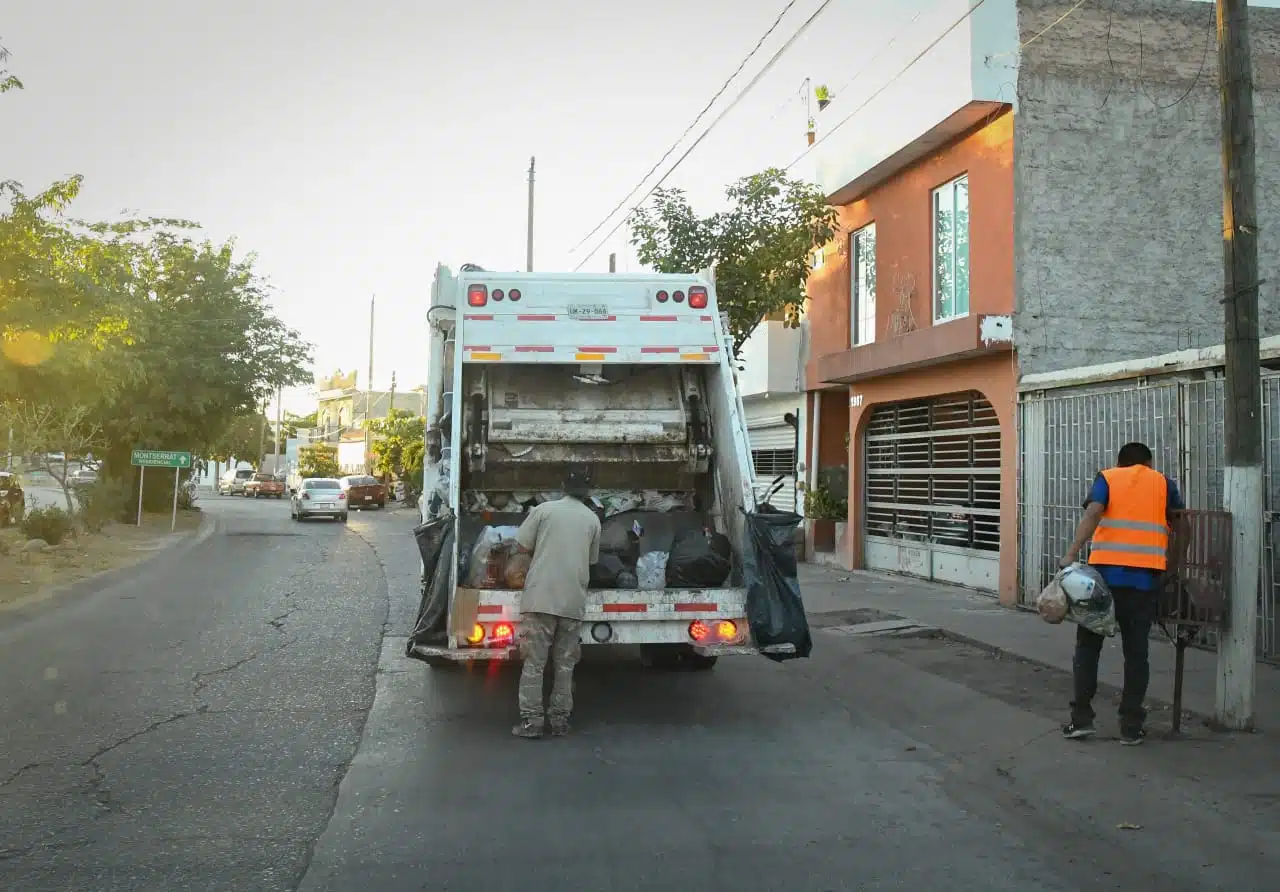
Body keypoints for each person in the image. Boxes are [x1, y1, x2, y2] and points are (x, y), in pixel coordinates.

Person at [1058, 441, 1187, 745]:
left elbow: (1093, 512)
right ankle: (1130, 726)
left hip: (1102, 583)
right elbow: (1183, 526)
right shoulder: (1163, 483)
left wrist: (1071, 554)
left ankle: (1081, 721)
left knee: (1088, 649)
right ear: (1148, 463)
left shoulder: (1108, 478)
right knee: (1136, 654)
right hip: (1143, 583)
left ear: (1120, 462)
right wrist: (1172, 567)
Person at [510, 467, 601, 739]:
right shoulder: (592, 520)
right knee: (565, 665)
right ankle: (560, 722)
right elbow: (592, 561)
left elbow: (522, 547)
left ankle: (532, 723)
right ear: (588, 491)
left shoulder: (543, 511)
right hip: (572, 601)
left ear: (562, 486)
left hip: (540, 599)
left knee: (534, 664)